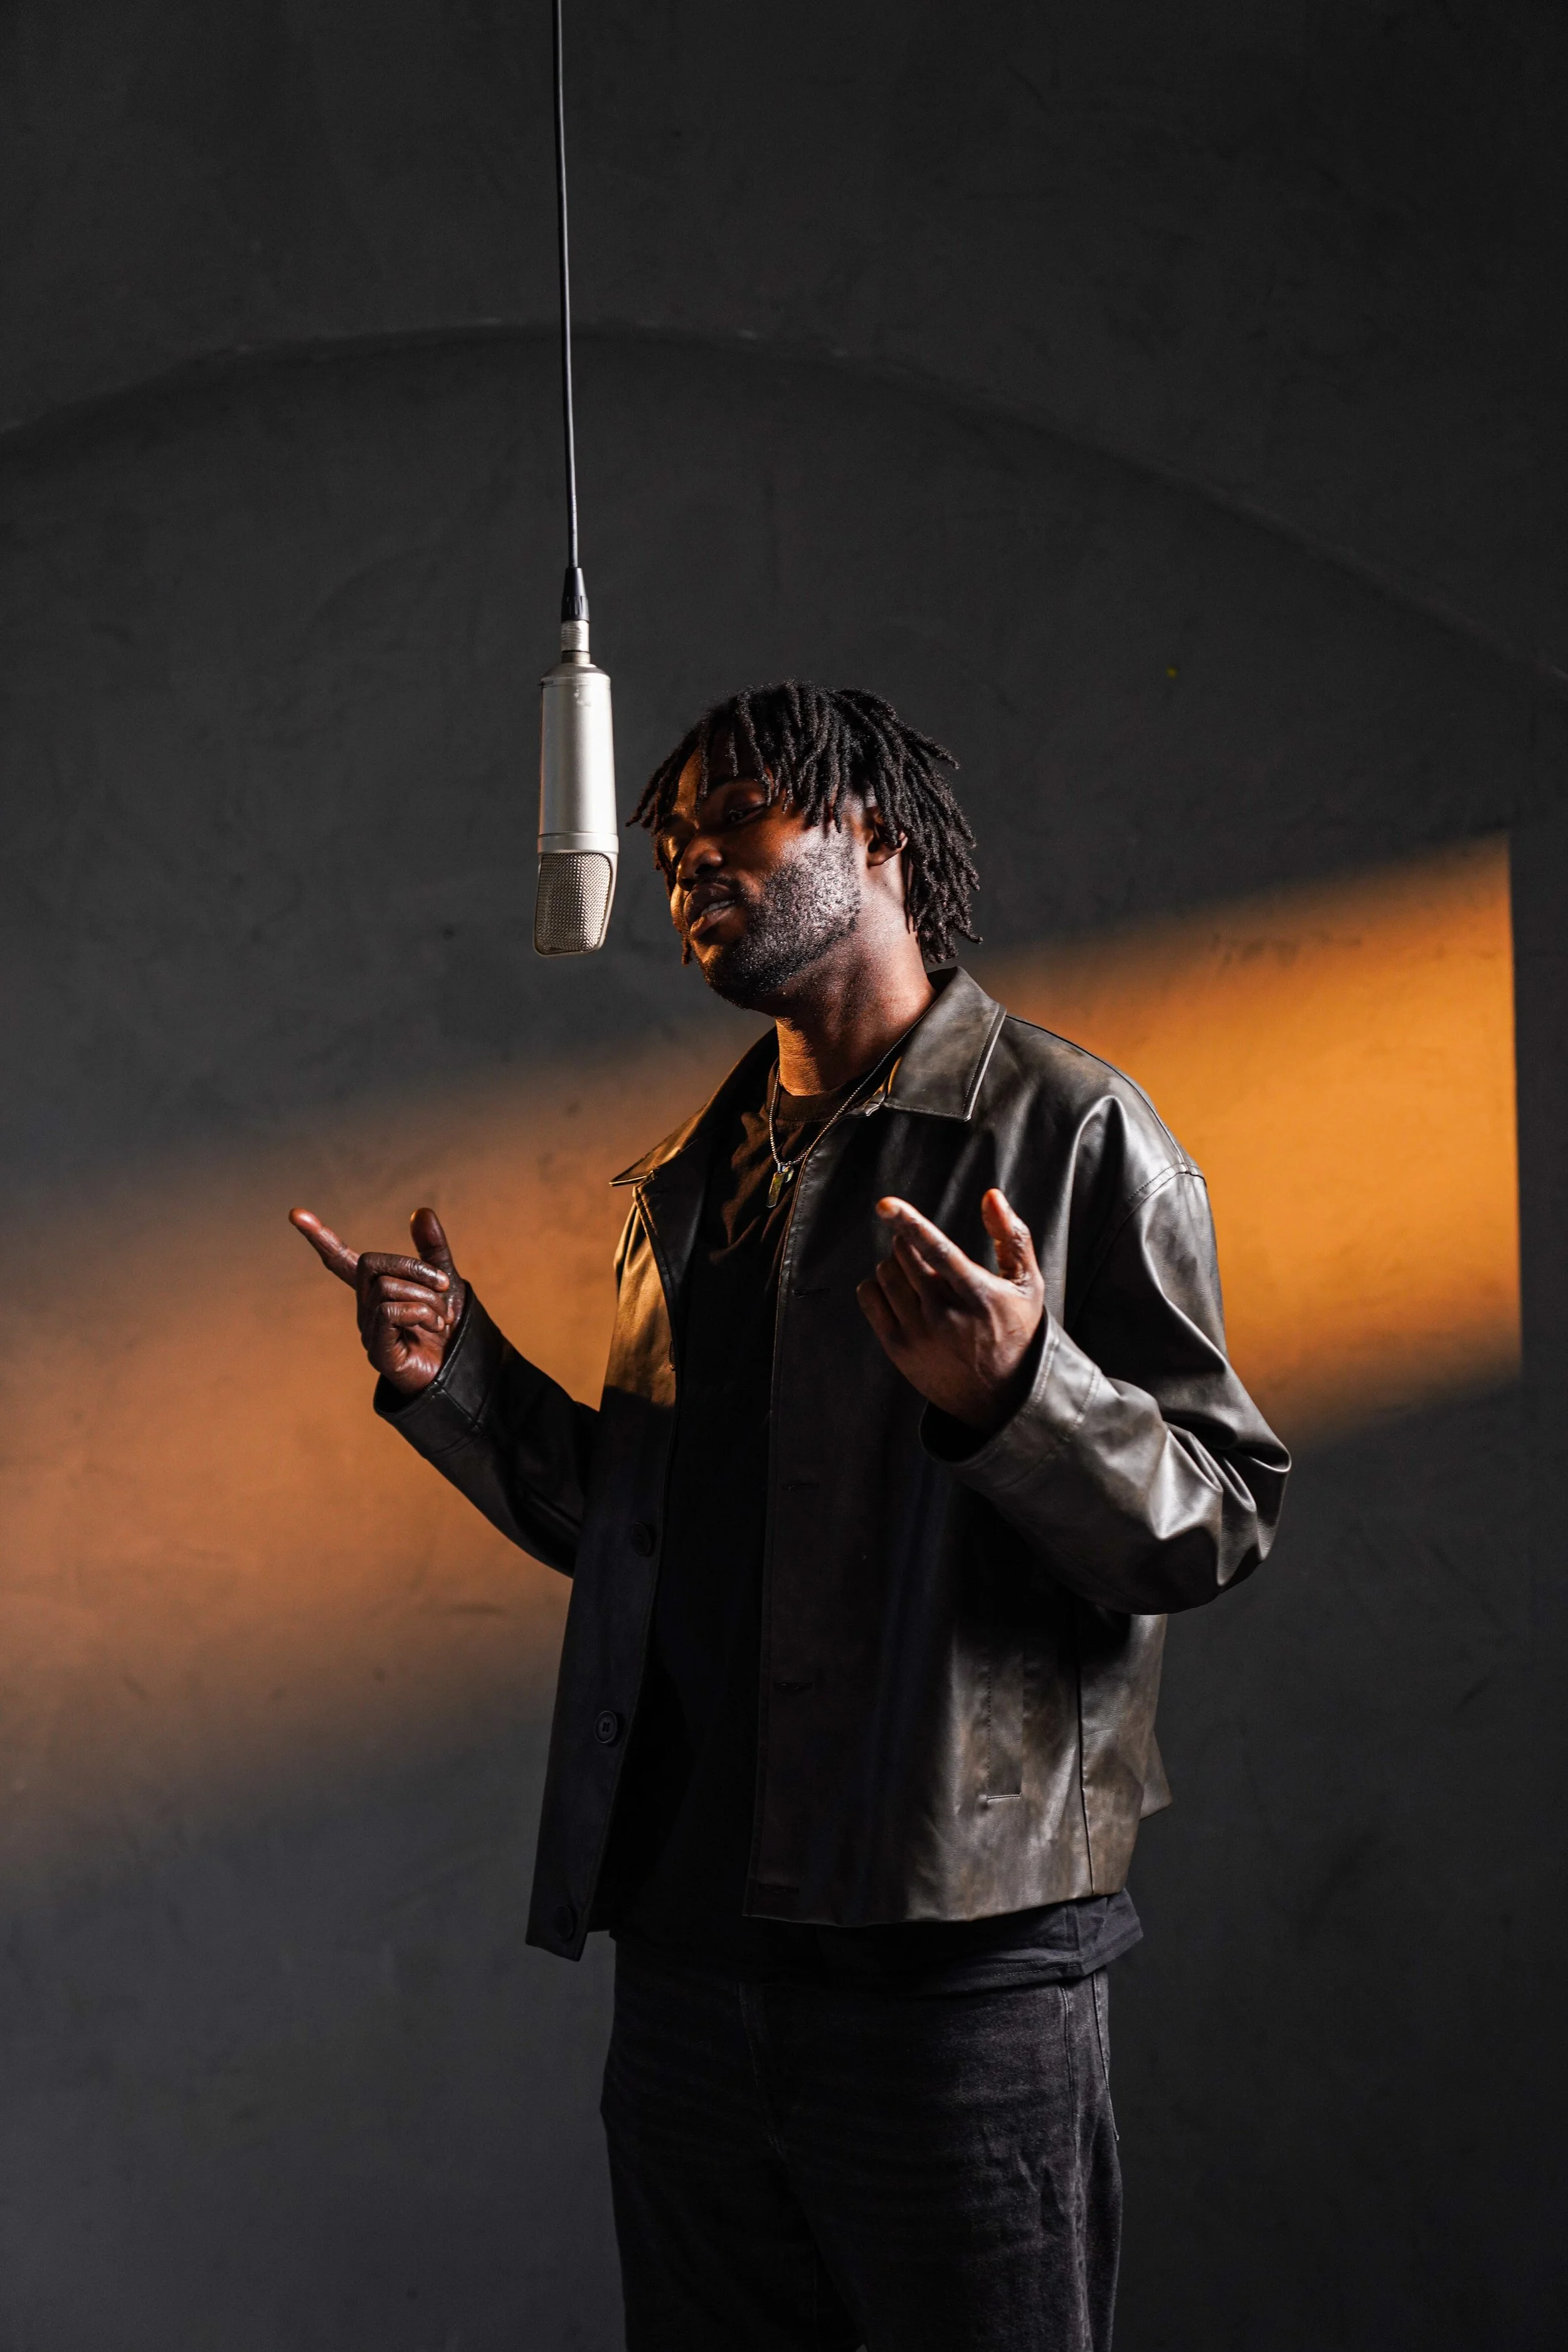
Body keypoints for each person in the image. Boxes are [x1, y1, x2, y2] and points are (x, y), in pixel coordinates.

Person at [292, 682, 1288, 2352]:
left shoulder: (1066, 1129)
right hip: (686, 1965)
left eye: (732, 822)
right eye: (670, 843)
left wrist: (1019, 1388)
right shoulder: (692, 1181)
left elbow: (1212, 1518)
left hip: (954, 1983)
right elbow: (641, 1533)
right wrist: (459, 1373)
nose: (688, 864)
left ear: (869, 832)